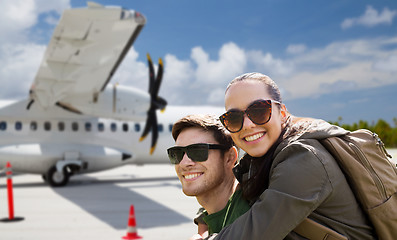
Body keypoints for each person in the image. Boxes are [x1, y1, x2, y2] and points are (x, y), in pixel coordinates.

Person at [211, 72, 376, 239]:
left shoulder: (305, 158)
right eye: (233, 118)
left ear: (282, 114)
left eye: (259, 110)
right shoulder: (264, 160)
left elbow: (256, 233)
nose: (247, 125)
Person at [167, 114, 250, 238]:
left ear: (230, 157)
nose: (184, 163)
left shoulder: (249, 216)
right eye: (177, 153)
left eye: (198, 151)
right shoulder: (214, 213)